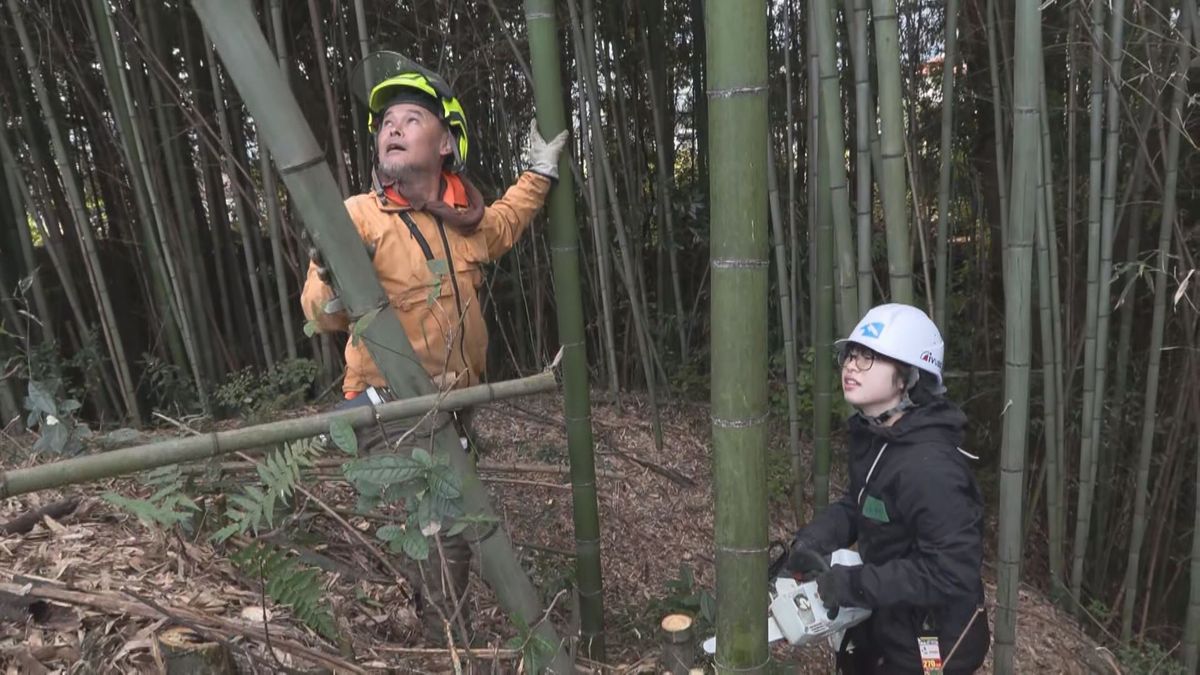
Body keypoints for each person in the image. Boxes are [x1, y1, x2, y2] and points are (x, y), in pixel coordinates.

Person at [299, 53, 567, 642]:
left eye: (410, 119)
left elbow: (506, 219)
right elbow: (319, 315)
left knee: (453, 528)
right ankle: (452, 645)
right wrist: (334, 269)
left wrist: (541, 174)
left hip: (453, 403)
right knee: (444, 532)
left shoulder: (458, 220)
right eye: (386, 122)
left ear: (446, 144)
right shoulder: (359, 217)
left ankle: (447, 632)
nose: (392, 127)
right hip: (389, 404)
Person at [786, 303, 990, 674]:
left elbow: (950, 572)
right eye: (851, 355)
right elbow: (861, 502)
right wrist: (815, 539)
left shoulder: (933, 469)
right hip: (887, 613)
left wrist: (852, 584)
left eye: (869, 358)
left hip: (933, 638)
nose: (851, 365)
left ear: (908, 378)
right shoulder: (878, 435)